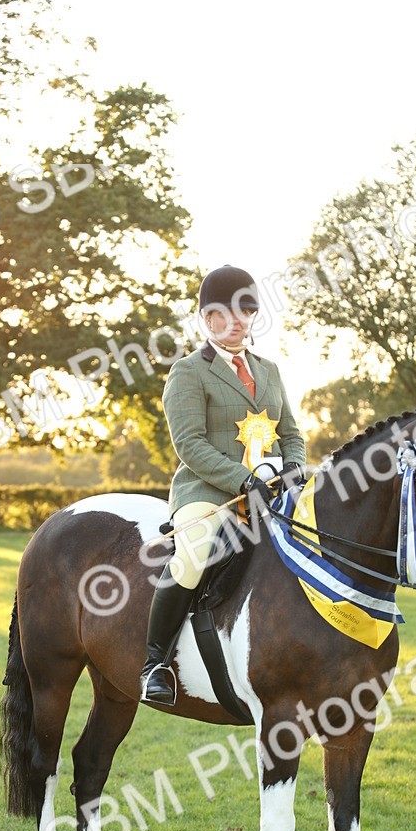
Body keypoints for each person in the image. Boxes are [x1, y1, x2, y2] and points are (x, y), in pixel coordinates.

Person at [140, 264, 306, 704]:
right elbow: (189, 444)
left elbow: (292, 433)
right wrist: (242, 479)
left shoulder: (269, 370)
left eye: (246, 310)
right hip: (208, 494)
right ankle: (154, 663)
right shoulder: (189, 371)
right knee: (192, 556)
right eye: (227, 312)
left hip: (270, 491)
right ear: (208, 318)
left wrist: (294, 469)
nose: (238, 320)